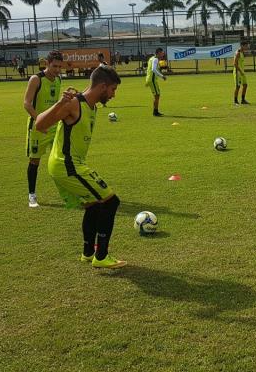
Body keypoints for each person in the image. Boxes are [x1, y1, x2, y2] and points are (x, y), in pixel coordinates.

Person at [35, 65, 126, 269]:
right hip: (66, 165)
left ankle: (88, 252)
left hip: (70, 164)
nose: (113, 95)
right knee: (111, 203)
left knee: (93, 205)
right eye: (113, 89)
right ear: (102, 86)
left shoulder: (89, 104)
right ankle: (101, 256)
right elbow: (40, 125)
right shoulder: (73, 104)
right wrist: (60, 103)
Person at [24, 51, 64, 208]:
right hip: (37, 128)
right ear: (47, 63)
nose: (57, 70)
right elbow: (27, 104)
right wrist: (40, 120)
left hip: (54, 126)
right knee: (35, 161)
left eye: (60, 67)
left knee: (62, 159)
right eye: (54, 66)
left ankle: (68, 193)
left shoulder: (59, 79)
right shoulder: (36, 79)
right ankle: (32, 195)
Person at [145, 48, 166, 116]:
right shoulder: (155, 59)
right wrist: (162, 76)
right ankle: (155, 112)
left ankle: (156, 111)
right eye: (162, 53)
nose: (163, 54)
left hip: (150, 79)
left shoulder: (152, 58)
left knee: (157, 95)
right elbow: (153, 69)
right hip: (152, 79)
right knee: (157, 95)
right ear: (158, 53)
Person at [233, 38, 250, 105]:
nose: (247, 47)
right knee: (238, 86)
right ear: (242, 46)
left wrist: (242, 72)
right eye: (246, 46)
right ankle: (235, 101)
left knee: (245, 85)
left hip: (242, 72)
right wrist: (240, 71)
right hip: (238, 72)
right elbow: (235, 64)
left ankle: (243, 100)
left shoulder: (242, 52)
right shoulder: (238, 53)